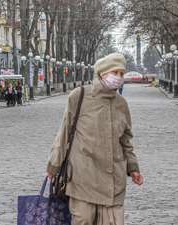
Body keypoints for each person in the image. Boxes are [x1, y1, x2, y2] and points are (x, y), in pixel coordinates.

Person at [47, 52, 143, 225]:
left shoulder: (121, 104)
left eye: (121, 74)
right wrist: (53, 166)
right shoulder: (79, 96)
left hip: (113, 181)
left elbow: (126, 141)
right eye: (115, 73)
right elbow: (63, 134)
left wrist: (133, 167)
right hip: (83, 176)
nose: (119, 77)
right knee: (83, 220)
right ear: (102, 74)